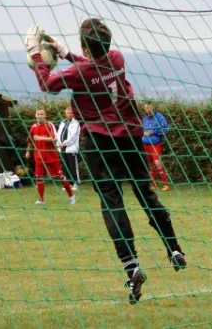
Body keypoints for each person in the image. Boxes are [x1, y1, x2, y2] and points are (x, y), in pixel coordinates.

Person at [24, 19, 186, 304]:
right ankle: (173, 247)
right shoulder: (117, 58)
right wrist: (64, 54)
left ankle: (131, 265)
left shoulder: (79, 73)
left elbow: (48, 85)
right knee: (144, 192)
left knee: (112, 200)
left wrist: (37, 54)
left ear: (84, 46)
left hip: (100, 141)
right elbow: (94, 69)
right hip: (131, 136)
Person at [26, 109, 75, 206]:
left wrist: (41, 138)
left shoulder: (49, 125)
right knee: (39, 177)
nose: (40, 116)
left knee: (60, 177)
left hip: (51, 156)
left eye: (42, 114)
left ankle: (71, 196)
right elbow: (30, 140)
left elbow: (54, 138)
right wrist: (28, 151)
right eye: (38, 114)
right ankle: (41, 199)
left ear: (45, 115)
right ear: (35, 115)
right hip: (39, 157)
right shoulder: (33, 127)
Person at [142, 102, 170, 191]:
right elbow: (141, 128)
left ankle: (166, 185)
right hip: (145, 144)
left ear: (153, 107)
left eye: (149, 108)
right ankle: (153, 185)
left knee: (157, 163)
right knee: (150, 165)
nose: (148, 110)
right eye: (146, 108)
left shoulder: (159, 116)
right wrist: (143, 132)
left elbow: (166, 128)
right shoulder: (145, 118)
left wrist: (154, 132)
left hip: (155, 144)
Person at [57, 106, 81, 191]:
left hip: (71, 149)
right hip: (62, 149)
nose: (69, 114)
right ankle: (68, 183)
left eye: (71, 113)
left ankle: (76, 183)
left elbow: (73, 136)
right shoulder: (62, 123)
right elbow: (58, 134)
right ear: (65, 114)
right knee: (65, 167)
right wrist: (59, 143)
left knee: (73, 166)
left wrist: (64, 143)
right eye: (68, 113)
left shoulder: (76, 123)